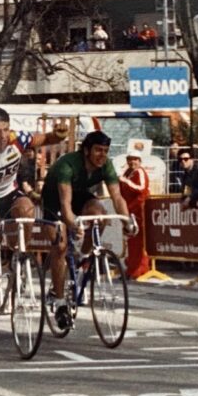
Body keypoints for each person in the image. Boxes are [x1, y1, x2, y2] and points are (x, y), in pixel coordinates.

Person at [0, 107, 68, 341]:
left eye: (5, 130)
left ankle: (16, 257)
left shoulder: (17, 139)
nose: (1, 136)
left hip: (9, 195)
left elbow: (43, 139)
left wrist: (59, 135)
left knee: (26, 209)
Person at [41, 131, 137, 331]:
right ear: (86, 151)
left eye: (105, 151)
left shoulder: (106, 165)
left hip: (79, 195)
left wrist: (127, 222)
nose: (102, 155)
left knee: (99, 215)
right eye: (98, 150)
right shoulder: (68, 165)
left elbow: (117, 198)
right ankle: (59, 302)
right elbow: (66, 207)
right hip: (54, 199)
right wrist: (74, 225)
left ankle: (81, 259)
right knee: (60, 245)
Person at [119, 150, 152, 279]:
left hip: (138, 210)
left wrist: (126, 182)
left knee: (139, 241)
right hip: (129, 210)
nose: (132, 162)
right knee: (131, 241)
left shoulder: (140, 172)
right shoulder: (127, 172)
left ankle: (140, 269)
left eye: (135, 159)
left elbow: (142, 188)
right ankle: (131, 268)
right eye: (130, 159)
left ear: (139, 161)